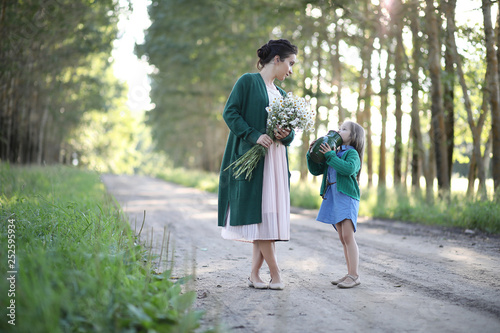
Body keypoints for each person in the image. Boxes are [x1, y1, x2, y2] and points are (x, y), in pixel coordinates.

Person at [218, 39, 298, 290]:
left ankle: (254, 275)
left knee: (268, 221)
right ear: (277, 59)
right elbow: (230, 113)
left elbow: (290, 134)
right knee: (264, 221)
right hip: (255, 163)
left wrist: (287, 134)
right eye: (290, 63)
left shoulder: (283, 95)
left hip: (275, 163)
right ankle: (276, 274)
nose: (291, 70)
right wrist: (254, 135)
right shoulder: (247, 82)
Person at [306, 120, 365, 288]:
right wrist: (311, 154)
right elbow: (316, 170)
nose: (339, 131)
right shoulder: (334, 152)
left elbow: (348, 169)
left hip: (346, 197)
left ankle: (354, 275)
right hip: (334, 197)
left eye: (344, 129)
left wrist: (331, 156)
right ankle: (349, 273)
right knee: (342, 237)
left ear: (353, 137)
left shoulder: (352, 154)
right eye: (340, 128)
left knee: (348, 236)